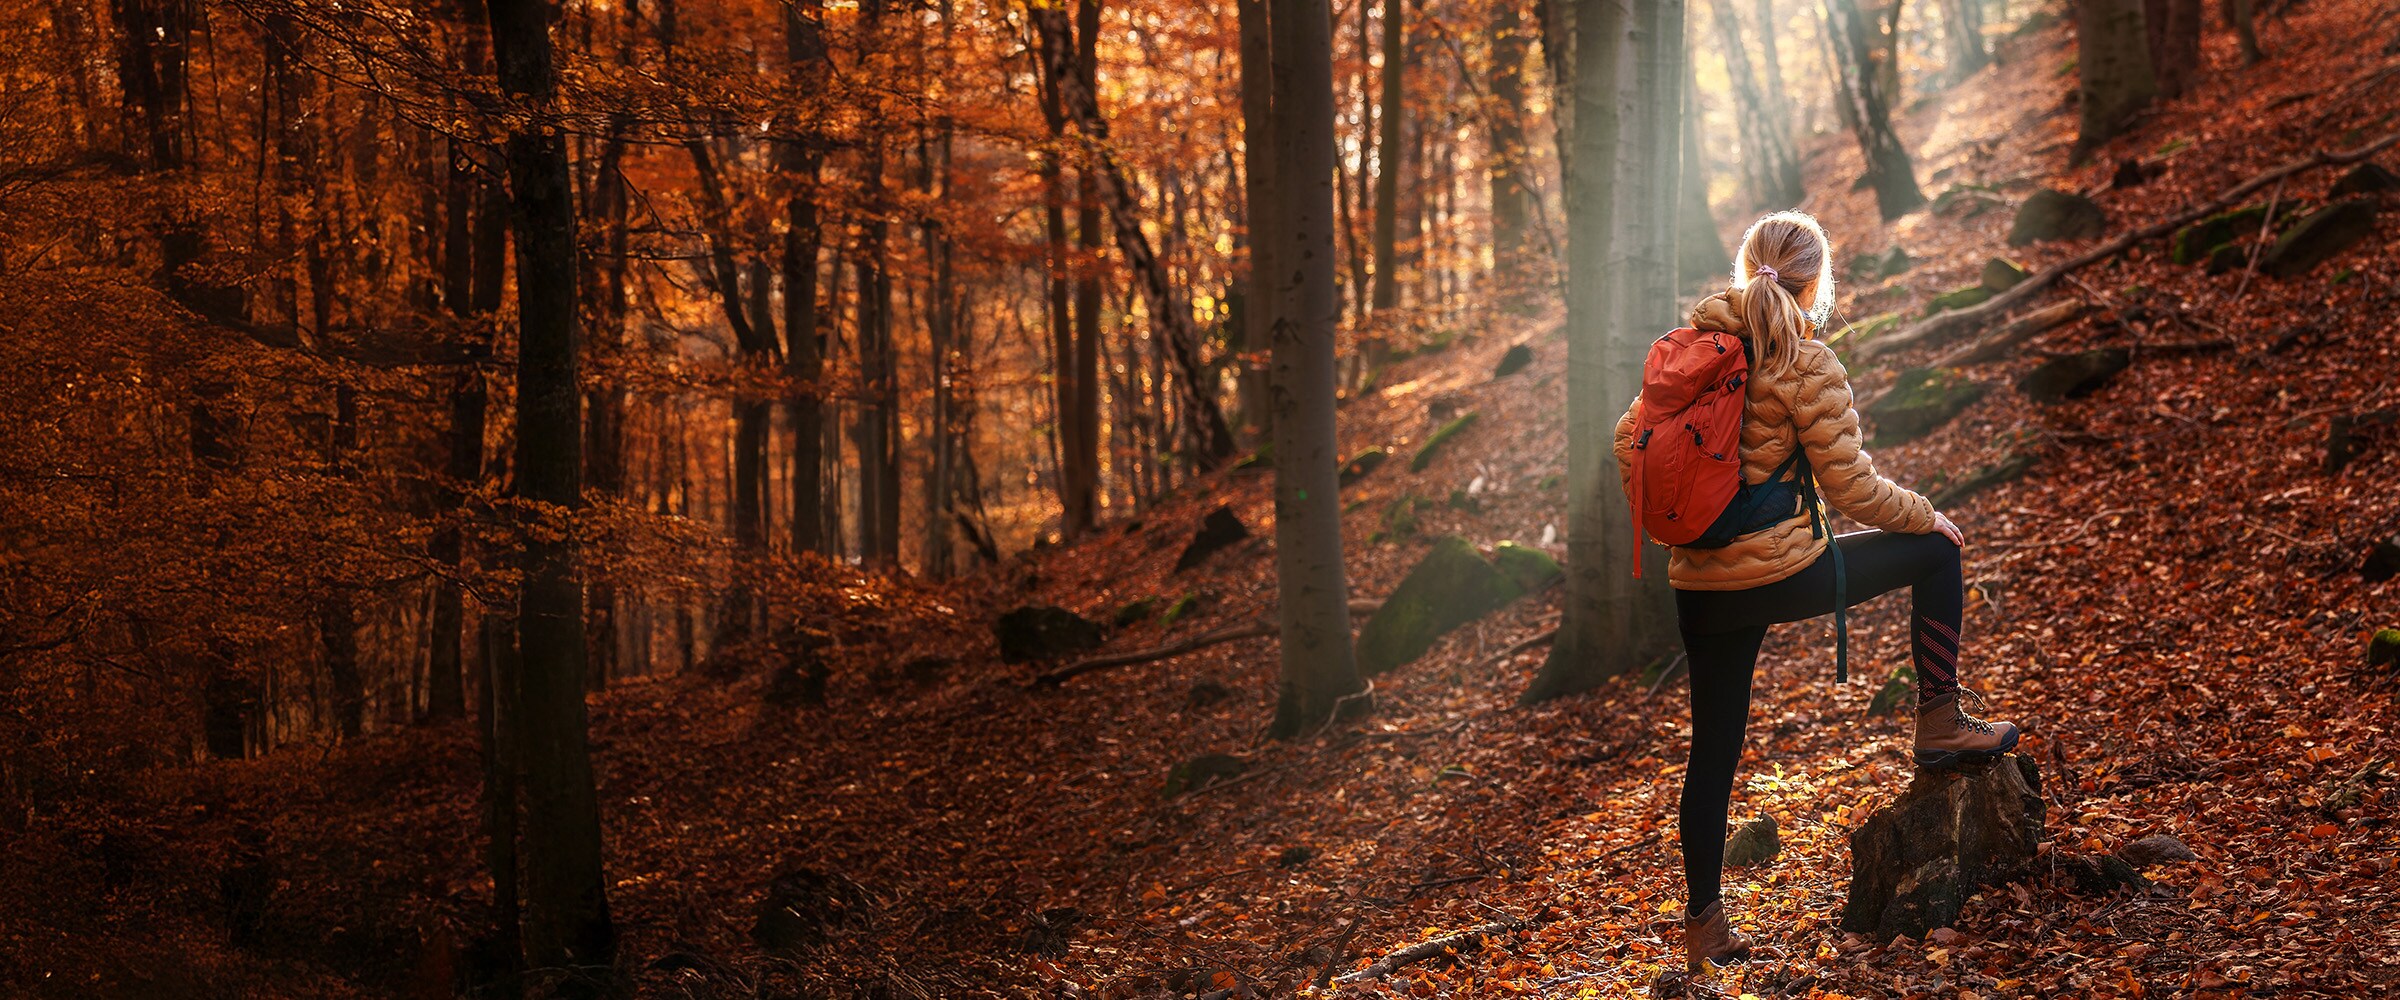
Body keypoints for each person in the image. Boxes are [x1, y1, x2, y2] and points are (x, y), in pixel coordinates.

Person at [1611, 211, 2021, 976]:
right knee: (1933, 552)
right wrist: (1930, 515)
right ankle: (1939, 719)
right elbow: (1853, 489)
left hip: (1700, 584)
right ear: (1815, 282)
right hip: (1779, 574)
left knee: (1713, 754)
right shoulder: (1804, 361)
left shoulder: (1686, 353)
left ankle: (1705, 933)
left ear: (1745, 270)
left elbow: (1625, 442)